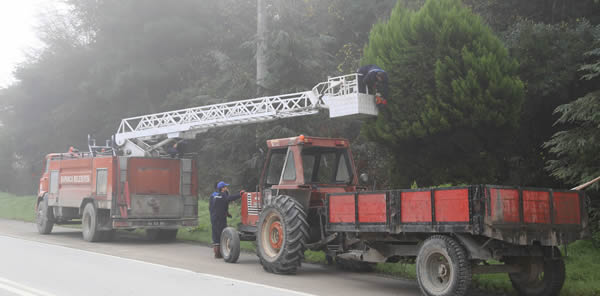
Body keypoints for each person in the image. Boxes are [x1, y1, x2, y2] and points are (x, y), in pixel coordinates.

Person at [209, 181, 245, 258]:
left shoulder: (213, 195)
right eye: (225, 187)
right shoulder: (223, 195)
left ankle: (216, 253)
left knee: (215, 234)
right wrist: (240, 194)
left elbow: (212, 207)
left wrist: (227, 213)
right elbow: (229, 198)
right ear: (222, 188)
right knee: (223, 234)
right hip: (221, 218)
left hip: (213, 218)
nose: (226, 188)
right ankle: (220, 253)